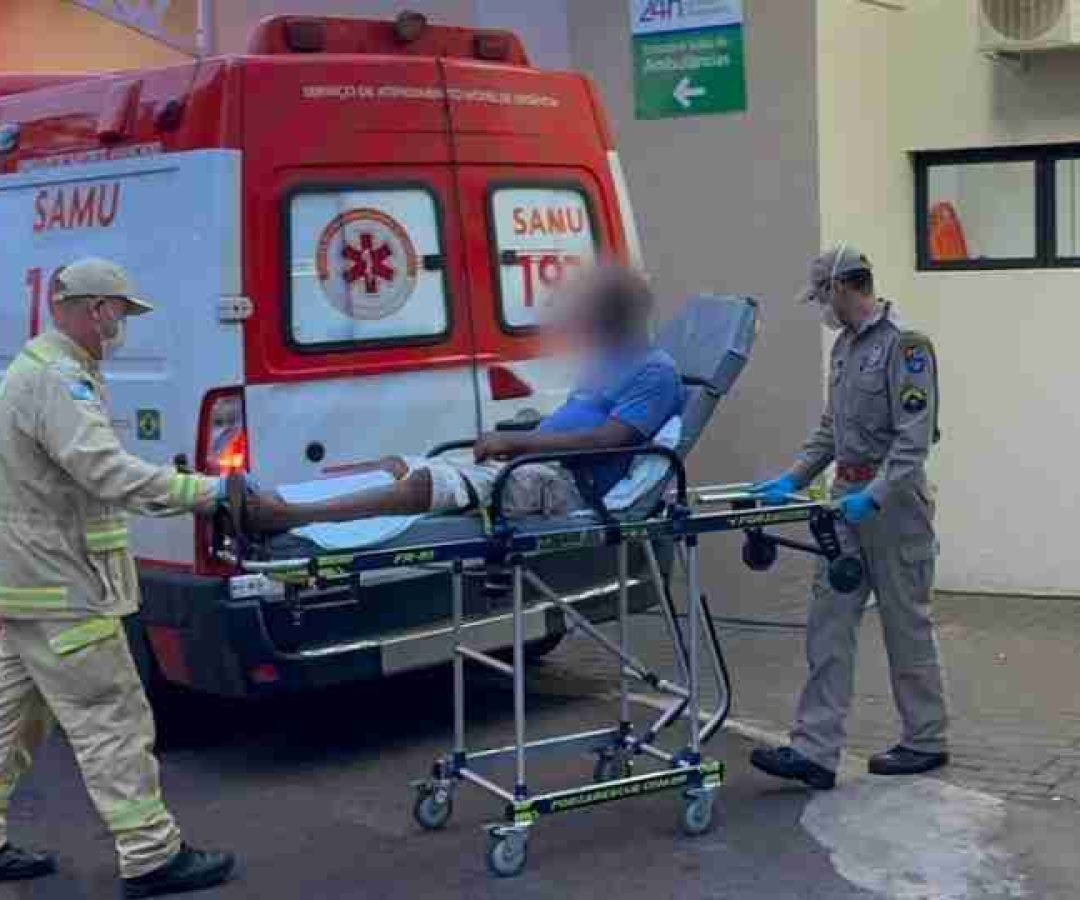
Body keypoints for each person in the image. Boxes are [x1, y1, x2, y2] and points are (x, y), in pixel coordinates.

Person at [0, 258, 236, 896]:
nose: (122, 325)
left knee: (13, 722)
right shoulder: (58, 381)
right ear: (95, 308)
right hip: (63, 588)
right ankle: (151, 854)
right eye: (121, 313)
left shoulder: (41, 372)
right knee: (112, 717)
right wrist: (204, 492)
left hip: (23, 585)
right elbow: (103, 471)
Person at [235, 263, 684, 534]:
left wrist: (518, 444)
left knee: (426, 485)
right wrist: (519, 443)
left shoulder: (654, 371)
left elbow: (610, 440)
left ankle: (292, 516)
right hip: (530, 467)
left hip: (566, 486)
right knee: (397, 464)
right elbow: (574, 427)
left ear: (623, 316)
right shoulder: (604, 364)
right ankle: (278, 496)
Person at [748, 244, 949, 791]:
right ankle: (815, 751)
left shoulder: (906, 348)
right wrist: (791, 478)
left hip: (895, 507)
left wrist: (876, 495)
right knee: (828, 623)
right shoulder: (843, 349)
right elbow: (829, 430)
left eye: (821, 297)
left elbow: (912, 443)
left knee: (906, 623)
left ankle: (925, 740)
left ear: (842, 287)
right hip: (843, 502)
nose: (822, 307)